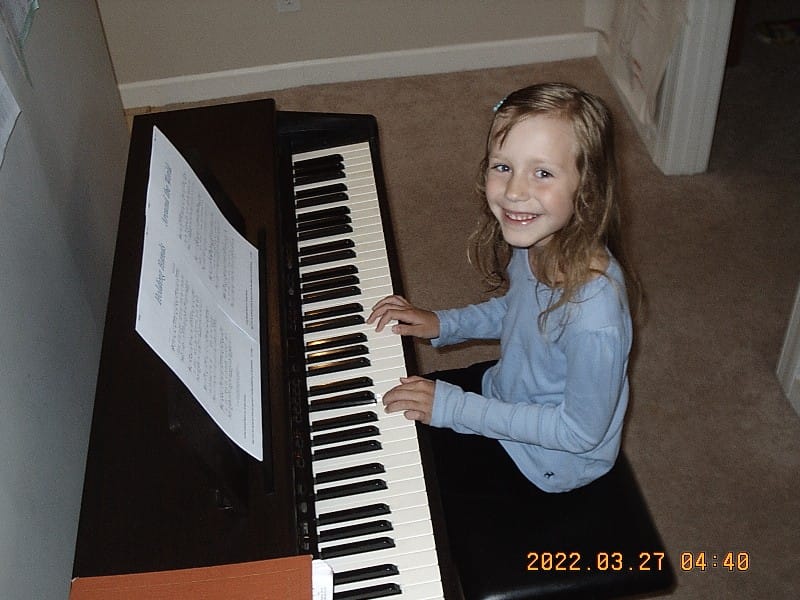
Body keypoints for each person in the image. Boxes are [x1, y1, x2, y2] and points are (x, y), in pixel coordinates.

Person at [366, 82, 641, 493]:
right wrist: (444, 323)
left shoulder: (595, 317)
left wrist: (454, 407)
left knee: (399, 481)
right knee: (387, 417)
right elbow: (518, 310)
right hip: (508, 394)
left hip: (547, 461)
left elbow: (580, 433)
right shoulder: (537, 242)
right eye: (503, 166)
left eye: (542, 172)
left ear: (587, 188)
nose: (514, 191)